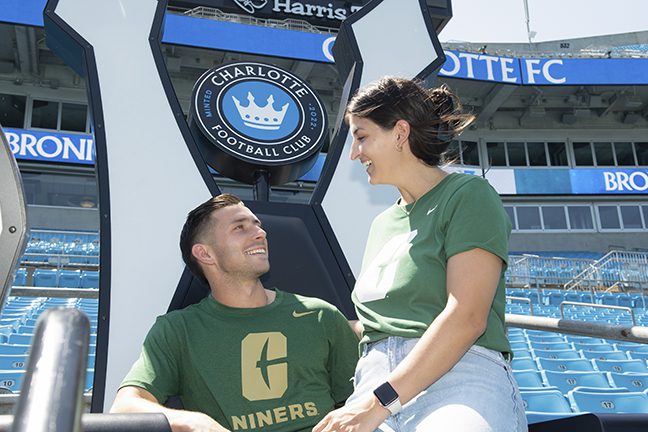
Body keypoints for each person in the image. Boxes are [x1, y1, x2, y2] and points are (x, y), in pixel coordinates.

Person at [313, 77, 527, 432]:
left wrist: (378, 403)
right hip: (373, 380)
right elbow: (386, 320)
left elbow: (468, 317)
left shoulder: (469, 194)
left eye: (362, 137)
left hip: (459, 377)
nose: (354, 153)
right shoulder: (382, 223)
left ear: (399, 133)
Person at [111, 194, 359, 432]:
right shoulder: (178, 330)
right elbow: (124, 407)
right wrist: (194, 423)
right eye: (239, 228)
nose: (261, 233)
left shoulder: (320, 315)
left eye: (257, 225)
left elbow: (360, 400)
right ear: (205, 254)